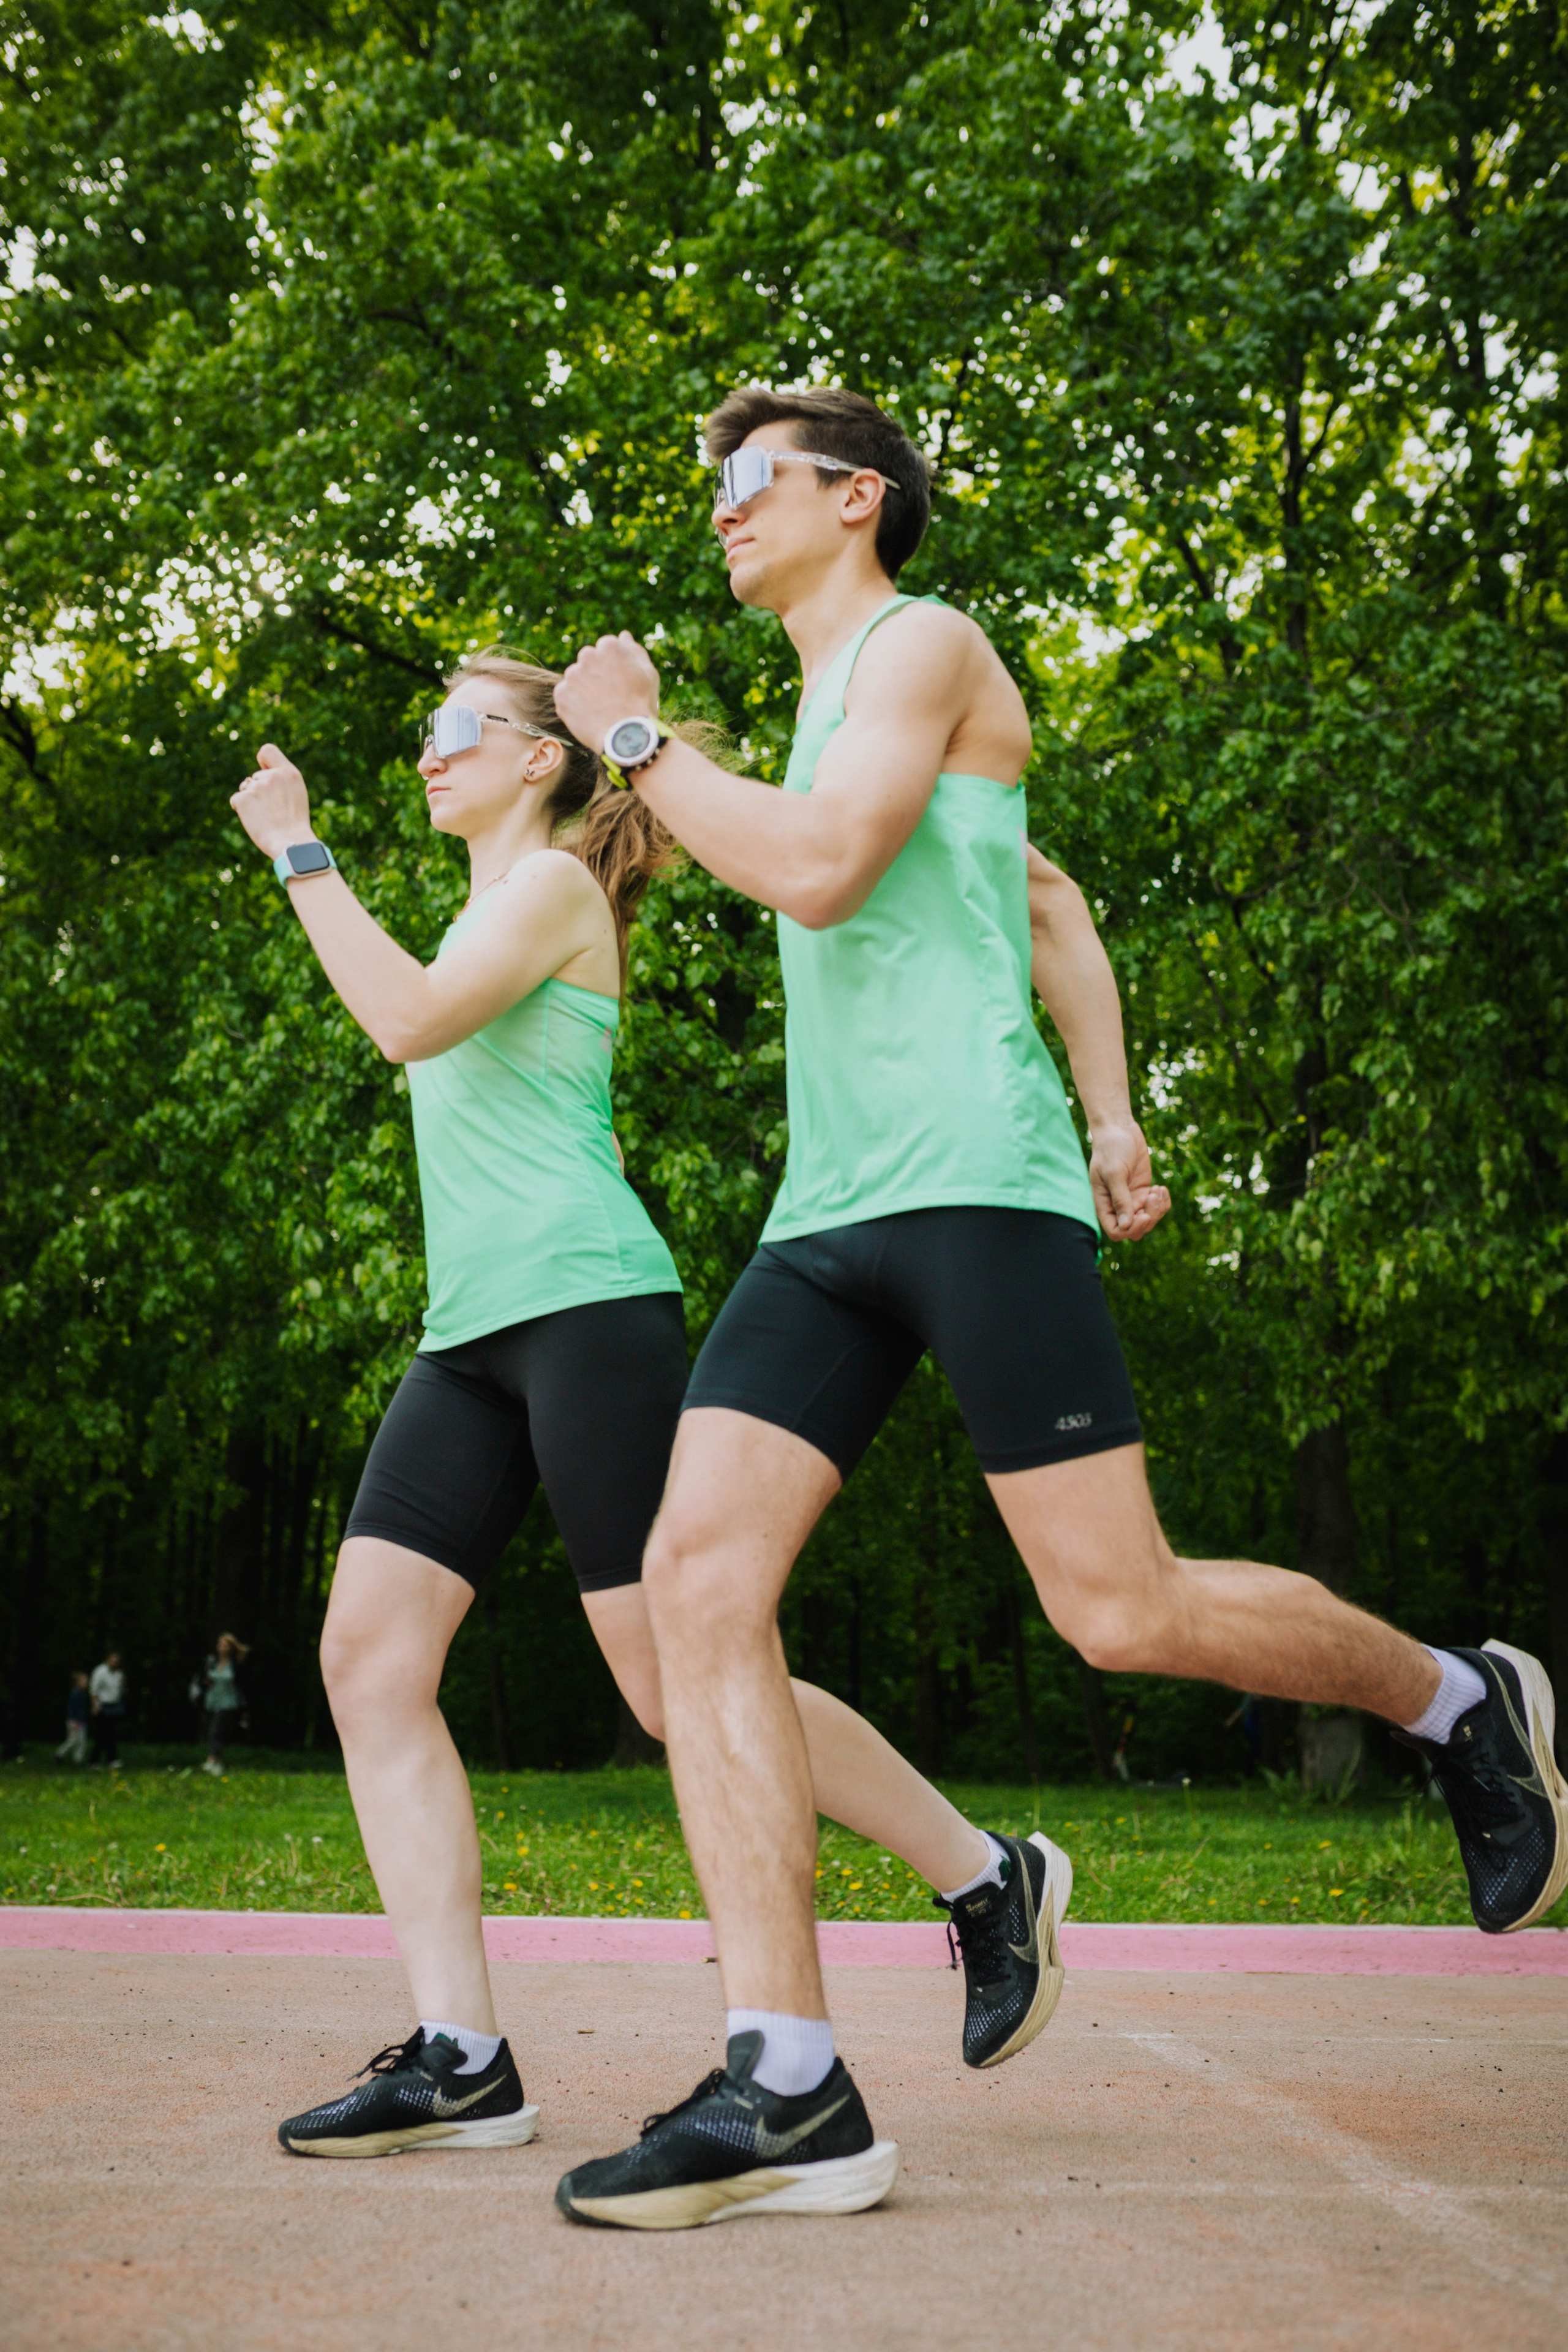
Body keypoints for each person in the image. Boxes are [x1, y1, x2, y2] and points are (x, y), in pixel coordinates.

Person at [548, 382, 1568, 2230]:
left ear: (853, 495)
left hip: (971, 1196)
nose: (716, 509)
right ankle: (786, 2076)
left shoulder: (924, 642)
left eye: (744, 478)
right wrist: (1118, 1103)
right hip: (826, 1217)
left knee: (1116, 1610)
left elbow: (816, 862)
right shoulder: (822, 699)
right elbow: (1044, 897)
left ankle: (1454, 1701)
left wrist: (630, 730)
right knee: (696, 1589)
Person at [226, 649, 1096, 2163]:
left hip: (583, 1314)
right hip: (468, 1334)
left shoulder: (554, 892)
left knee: (667, 1686)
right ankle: (459, 2054)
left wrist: (301, 851)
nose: (426, 749)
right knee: (367, 1658)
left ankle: (982, 1870)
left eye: (456, 727)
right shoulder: (483, 899)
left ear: (542, 759)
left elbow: (409, 1022)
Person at [198, 1633, 250, 1776]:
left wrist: (245, 1709)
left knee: (217, 1731)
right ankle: (217, 1763)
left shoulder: (236, 1665)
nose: (222, 1647)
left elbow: (243, 1686)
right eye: (220, 1644)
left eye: (226, 1645)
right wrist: (206, 1683)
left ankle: (212, 1761)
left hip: (229, 1703)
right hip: (212, 1703)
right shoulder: (212, 1662)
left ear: (232, 1648)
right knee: (213, 1732)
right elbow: (202, 1680)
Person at [88, 1651, 126, 1768]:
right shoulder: (100, 1672)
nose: (115, 1663)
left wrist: (124, 1685)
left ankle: (112, 1759)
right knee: (101, 1734)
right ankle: (94, 1761)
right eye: (113, 1661)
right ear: (108, 1660)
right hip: (103, 1706)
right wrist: (95, 1706)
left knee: (112, 1734)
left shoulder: (119, 1673)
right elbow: (94, 1690)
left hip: (115, 1706)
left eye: (117, 1662)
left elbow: (121, 1691)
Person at [56, 1672, 90, 1765]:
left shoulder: (83, 1694)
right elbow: (71, 1708)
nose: (87, 1683)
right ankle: (59, 1754)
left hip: (82, 1721)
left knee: (82, 1741)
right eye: (84, 1681)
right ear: (78, 1682)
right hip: (75, 1721)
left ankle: (78, 1760)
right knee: (73, 1740)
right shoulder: (75, 1694)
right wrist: (73, 1721)